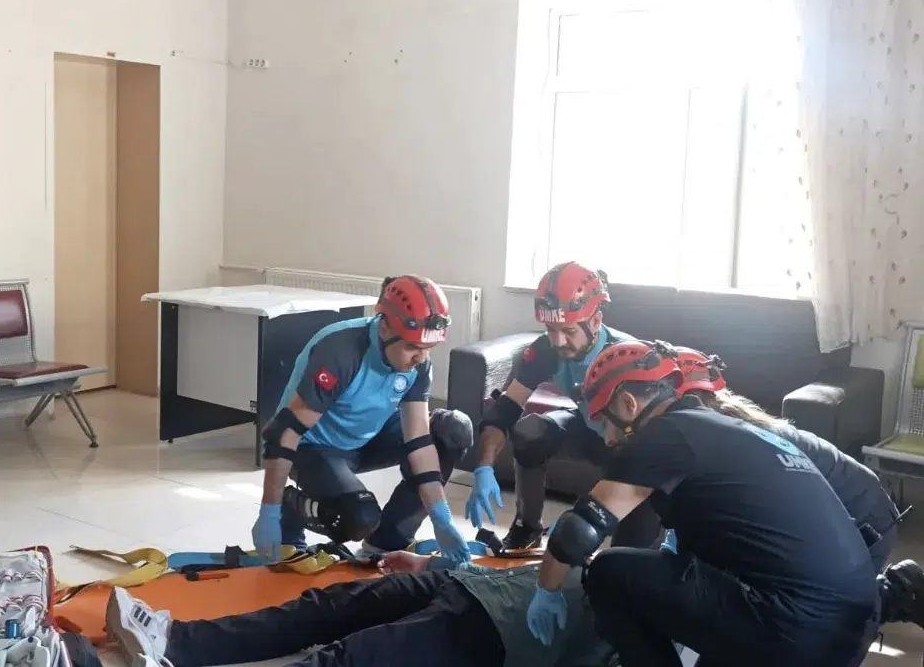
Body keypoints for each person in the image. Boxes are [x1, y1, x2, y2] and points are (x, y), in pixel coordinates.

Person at [526, 339, 882, 666]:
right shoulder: (741, 431)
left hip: (791, 626)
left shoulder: (665, 433)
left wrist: (547, 590)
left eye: (606, 422)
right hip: (849, 630)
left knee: (609, 572)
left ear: (628, 404)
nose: (608, 438)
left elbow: (577, 533)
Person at [254, 275, 476, 564]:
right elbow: (285, 433)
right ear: (384, 328)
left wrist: (441, 517)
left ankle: (387, 542)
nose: (421, 358)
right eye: (412, 347)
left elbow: (419, 442)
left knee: (451, 430)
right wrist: (269, 510)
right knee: (359, 517)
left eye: (428, 349)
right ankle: (291, 508)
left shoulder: (417, 361)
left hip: (368, 437)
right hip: (313, 447)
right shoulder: (341, 350)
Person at [103, 552, 615, 667]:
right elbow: (535, 568)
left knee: (354, 658)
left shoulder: (652, 631)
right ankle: (177, 642)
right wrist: (434, 562)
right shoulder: (637, 555)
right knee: (326, 606)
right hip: (469, 582)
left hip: (498, 630)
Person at [466, 261, 661, 551]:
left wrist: (588, 514)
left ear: (595, 321)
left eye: (568, 330)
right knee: (530, 431)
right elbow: (507, 407)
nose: (558, 341)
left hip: (632, 444)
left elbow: (656, 445)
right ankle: (527, 527)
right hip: (587, 425)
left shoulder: (628, 359)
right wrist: (483, 467)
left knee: (627, 557)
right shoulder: (547, 349)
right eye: (550, 329)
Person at [673, 345, 905, 570]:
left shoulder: (733, 444)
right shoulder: (726, 424)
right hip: (864, 506)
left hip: (864, 521)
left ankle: (892, 591)